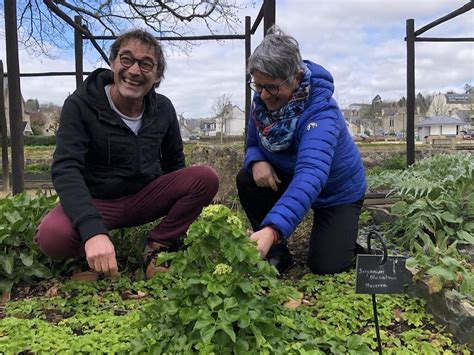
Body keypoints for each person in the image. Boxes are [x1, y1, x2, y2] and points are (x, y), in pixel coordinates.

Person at [35, 29, 219, 279]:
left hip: (144, 196)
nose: (134, 71)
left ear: (157, 76)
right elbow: (66, 168)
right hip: (98, 200)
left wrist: (180, 217)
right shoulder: (80, 105)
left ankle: (157, 247)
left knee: (205, 178)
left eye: (146, 64)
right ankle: (93, 255)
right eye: (126, 59)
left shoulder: (163, 109)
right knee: (52, 236)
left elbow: (175, 165)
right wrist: (92, 230)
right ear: (113, 63)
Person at [236, 26, 366, 275]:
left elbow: (311, 174)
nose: (264, 95)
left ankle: (345, 238)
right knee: (247, 179)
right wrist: (256, 161)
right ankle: (276, 254)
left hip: (336, 192)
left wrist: (273, 228)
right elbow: (253, 143)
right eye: (258, 85)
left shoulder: (322, 113)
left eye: (272, 87)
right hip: (290, 177)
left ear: (296, 78)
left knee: (326, 266)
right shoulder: (262, 101)